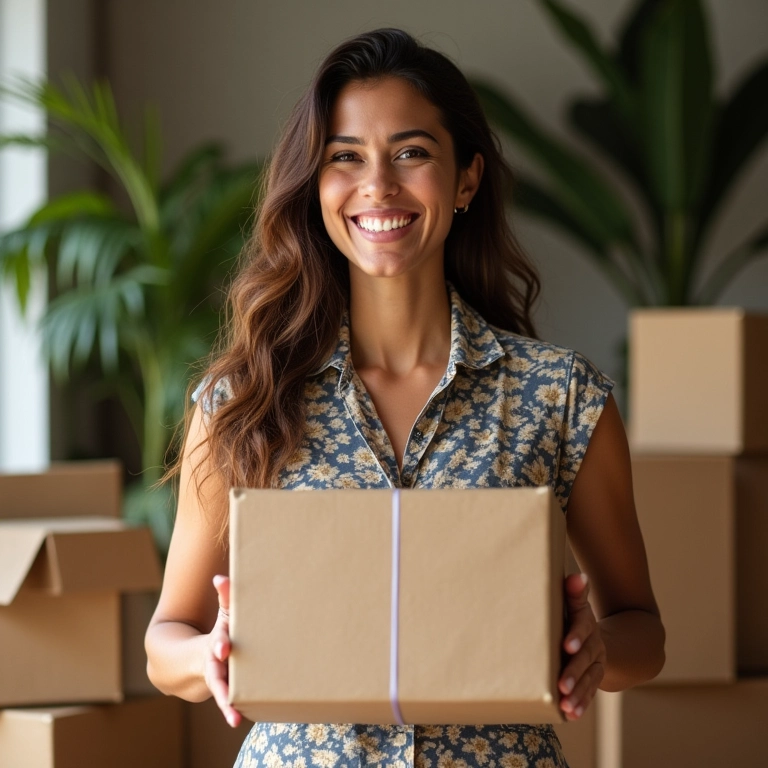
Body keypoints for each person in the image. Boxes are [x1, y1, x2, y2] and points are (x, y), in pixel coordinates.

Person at [145, 28, 665, 768]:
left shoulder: (562, 396)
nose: (378, 185)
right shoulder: (243, 400)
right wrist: (206, 657)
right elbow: (165, 638)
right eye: (344, 157)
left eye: (412, 153)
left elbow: (642, 631)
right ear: (316, 186)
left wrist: (596, 647)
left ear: (466, 180)